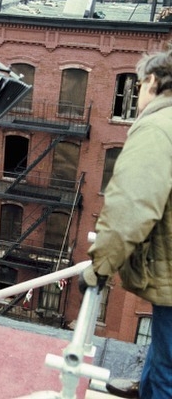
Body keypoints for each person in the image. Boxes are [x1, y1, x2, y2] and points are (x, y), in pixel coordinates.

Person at [79, 48, 172, 398]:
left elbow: (129, 208)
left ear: (152, 82)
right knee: (164, 355)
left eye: (137, 87)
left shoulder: (159, 127)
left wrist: (99, 268)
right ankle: (148, 385)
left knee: (168, 372)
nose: (134, 98)